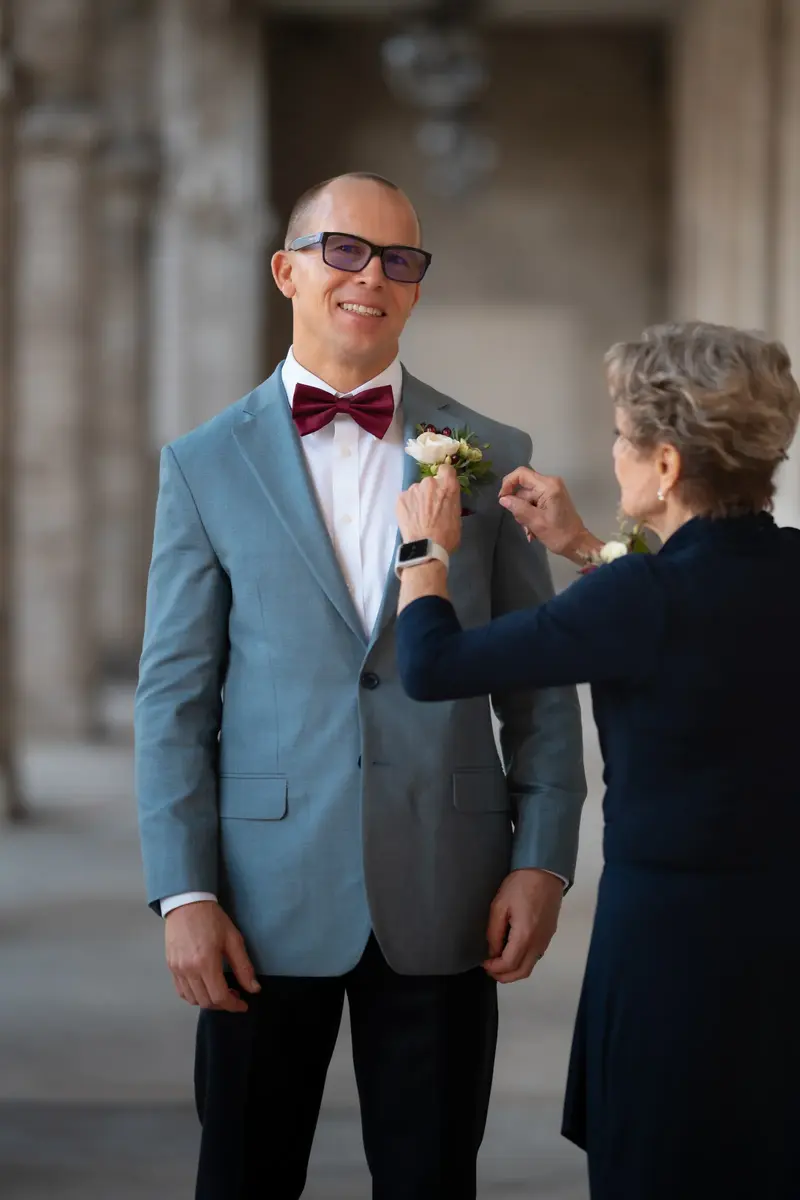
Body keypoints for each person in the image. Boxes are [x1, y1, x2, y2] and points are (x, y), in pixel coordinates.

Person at [134, 171, 586, 1200]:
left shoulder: (487, 456)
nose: (369, 277)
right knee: (242, 1177)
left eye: (398, 260)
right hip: (258, 897)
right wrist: (185, 890)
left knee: (430, 1181)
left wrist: (544, 861)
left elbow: (539, 685)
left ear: (414, 290)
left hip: (449, 887)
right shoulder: (202, 464)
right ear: (287, 270)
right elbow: (174, 698)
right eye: (344, 250)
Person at [394, 320, 800, 1200]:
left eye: (623, 435)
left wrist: (424, 550)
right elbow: (699, 620)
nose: (612, 452)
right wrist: (584, 547)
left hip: (673, 960)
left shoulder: (638, 599)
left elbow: (432, 666)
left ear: (666, 465)